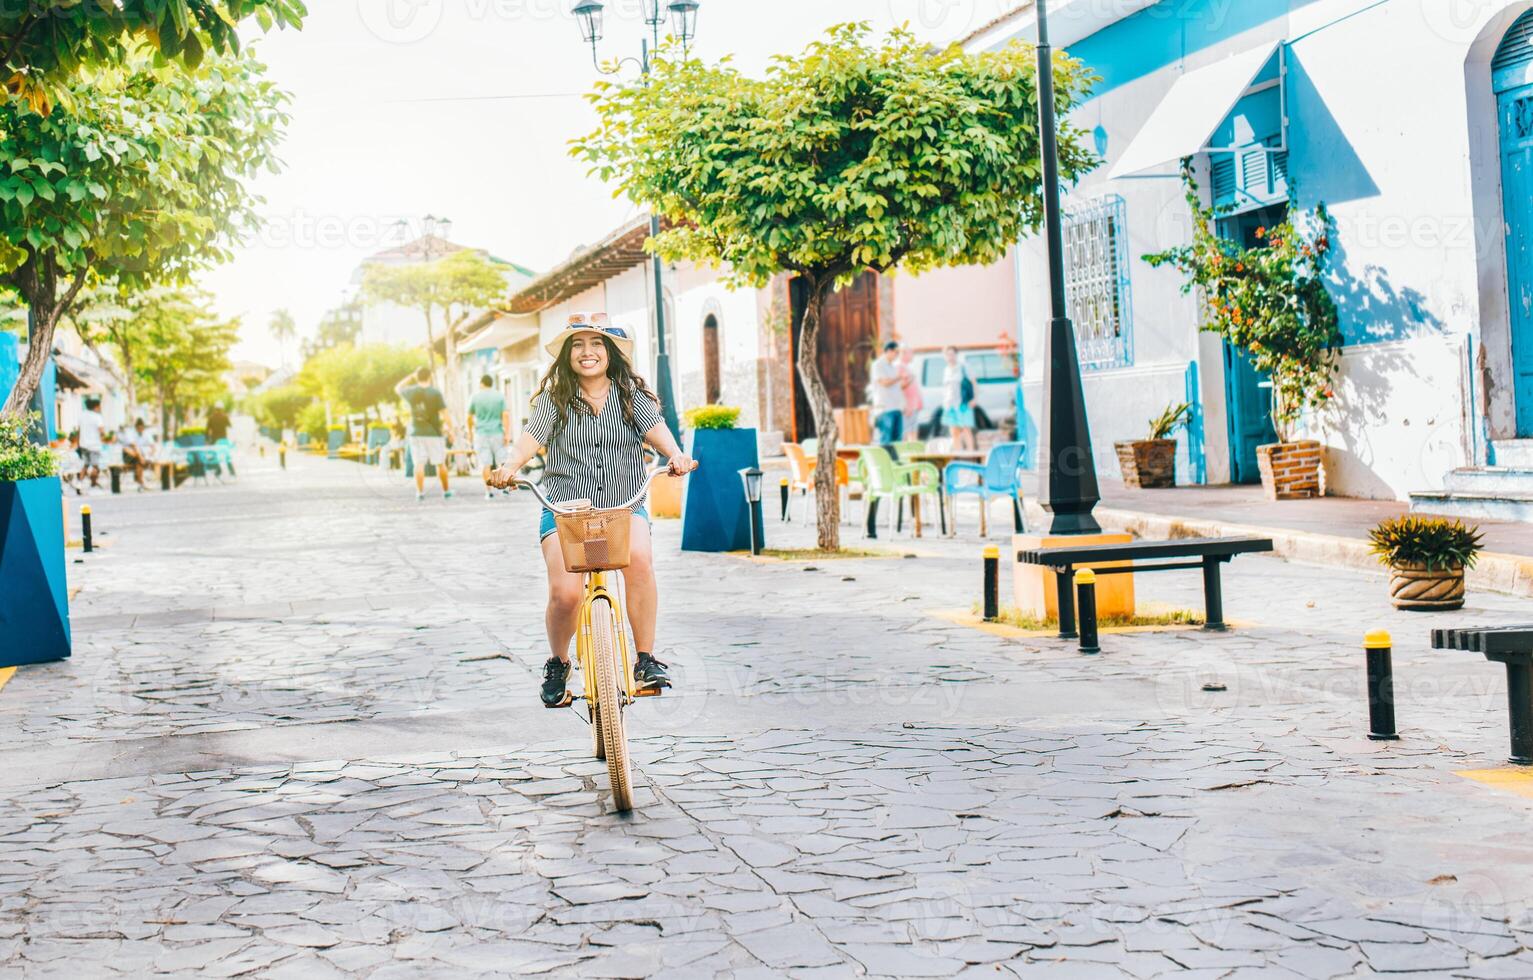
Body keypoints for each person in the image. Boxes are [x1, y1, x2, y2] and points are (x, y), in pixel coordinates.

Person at [488, 313, 695, 708]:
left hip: (624, 503)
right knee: (565, 594)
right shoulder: (556, 398)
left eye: (596, 344)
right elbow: (530, 439)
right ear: (567, 355)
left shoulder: (630, 395)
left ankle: (646, 658)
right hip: (566, 507)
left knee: (639, 561)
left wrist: (675, 455)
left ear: (611, 352)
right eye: (578, 345)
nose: (588, 353)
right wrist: (510, 467)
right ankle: (558, 662)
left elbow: (656, 430)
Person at [394, 367, 453, 501]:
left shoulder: (410, 391)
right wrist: (451, 430)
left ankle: (420, 493)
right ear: (430, 376)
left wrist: (411, 376)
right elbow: (445, 413)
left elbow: (397, 388)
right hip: (434, 433)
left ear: (417, 377)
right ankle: (446, 491)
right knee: (440, 463)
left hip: (416, 432)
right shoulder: (435, 393)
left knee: (419, 464)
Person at [467, 374, 510, 500]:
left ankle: (488, 491)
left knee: (485, 463)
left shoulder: (475, 397)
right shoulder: (499, 396)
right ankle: (504, 489)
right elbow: (506, 415)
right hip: (497, 432)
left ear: (482, 383)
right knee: (501, 461)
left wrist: (470, 433)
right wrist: (507, 433)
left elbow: (469, 417)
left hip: (481, 434)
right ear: (492, 383)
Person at [941, 346, 978, 452]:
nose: (950, 357)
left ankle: (971, 454)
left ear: (956, 355)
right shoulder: (946, 370)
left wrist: (975, 398)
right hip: (949, 405)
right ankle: (959, 455)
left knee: (966, 429)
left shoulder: (964, 367)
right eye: (948, 355)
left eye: (952, 354)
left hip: (963, 403)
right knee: (954, 431)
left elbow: (974, 382)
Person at [871, 341, 905, 444]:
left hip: (896, 407)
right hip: (885, 408)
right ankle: (884, 460)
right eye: (896, 352)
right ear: (889, 351)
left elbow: (897, 387)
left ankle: (894, 460)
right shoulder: (878, 365)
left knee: (897, 441)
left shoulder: (893, 367)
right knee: (886, 440)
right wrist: (898, 378)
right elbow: (883, 382)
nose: (897, 355)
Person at [77, 397, 104, 489]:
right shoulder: (97, 417)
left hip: (83, 445)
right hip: (94, 446)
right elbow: (102, 432)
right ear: (96, 407)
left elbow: (79, 431)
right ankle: (93, 483)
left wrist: (78, 444)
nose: (100, 408)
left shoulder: (82, 416)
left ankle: (79, 484)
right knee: (96, 467)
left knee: (85, 465)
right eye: (100, 406)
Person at [119, 419, 155, 490]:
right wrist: (141, 457)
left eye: (142, 428)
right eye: (139, 428)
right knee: (136, 455)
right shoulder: (130, 433)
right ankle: (140, 482)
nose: (140, 430)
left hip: (140, 456)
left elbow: (153, 446)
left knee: (138, 462)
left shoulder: (146, 433)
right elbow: (134, 446)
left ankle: (140, 482)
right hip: (128, 455)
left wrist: (150, 453)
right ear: (135, 427)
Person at [899, 346, 923, 440]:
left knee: (913, 431)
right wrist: (905, 405)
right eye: (911, 353)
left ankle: (914, 453)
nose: (912, 355)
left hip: (913, 406)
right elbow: (899, 387)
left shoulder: (908, 367)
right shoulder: (899, 367)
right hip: (907, 406)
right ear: (904, 353)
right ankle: (905, 453)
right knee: (906, 432)